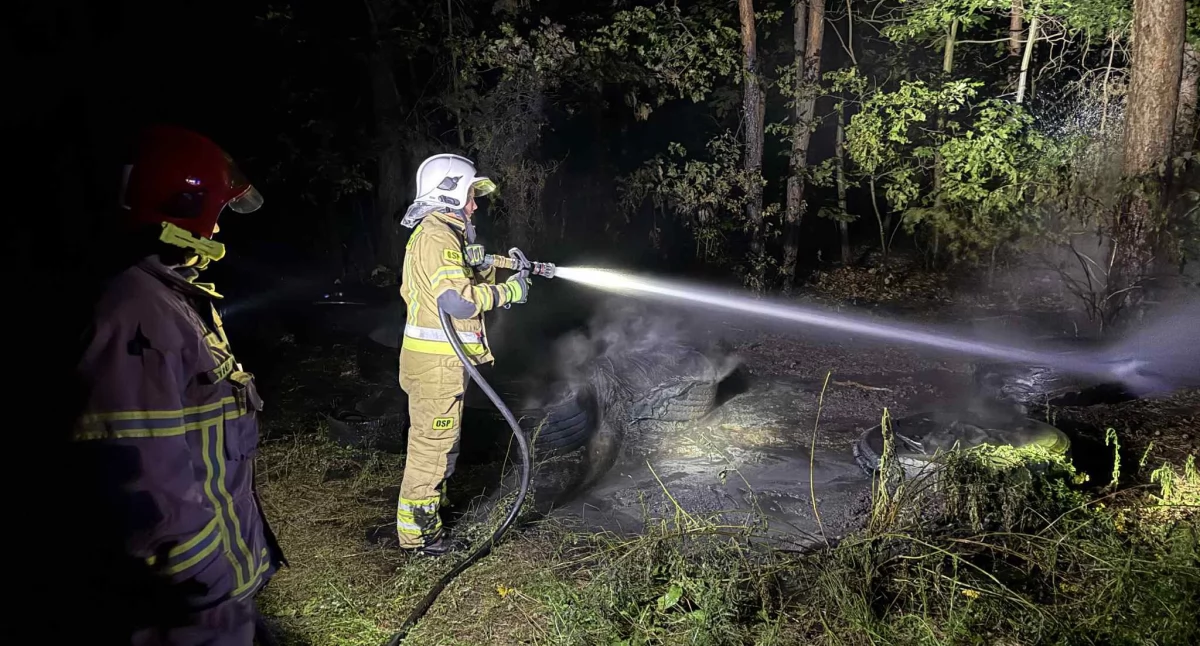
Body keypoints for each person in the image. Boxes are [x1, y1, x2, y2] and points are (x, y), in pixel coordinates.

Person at [68, 124, 285, 644]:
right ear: (187, 210)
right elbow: (145, 485)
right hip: (189, 611)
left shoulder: (167, 300)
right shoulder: (135, 314)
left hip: (213, 596)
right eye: (218, 214)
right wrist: (209, 590)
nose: (218, 231)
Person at [395, 153, 531, 555]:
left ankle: (429, 510)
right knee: (431, 449)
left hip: (440, 366)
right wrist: (510, 292)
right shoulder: (437, 237)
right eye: (470, 196)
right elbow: (457, 302)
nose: (474, 205)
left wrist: (489, 268)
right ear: (449, 195)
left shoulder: (445, 236)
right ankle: (419, 538)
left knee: (442, 443)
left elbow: (457, 284)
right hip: (437, 367)